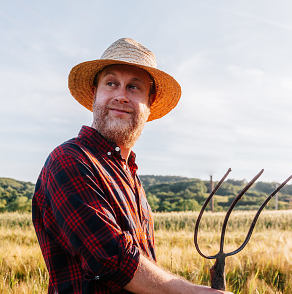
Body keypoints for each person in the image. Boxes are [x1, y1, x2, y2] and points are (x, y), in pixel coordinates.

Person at [32, 38, 231, 293]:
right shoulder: (70, 160)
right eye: (111, 83)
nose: (121, 96)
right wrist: (191, 291)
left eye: (134, 87)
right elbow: (112, 259)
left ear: (150, 101)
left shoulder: (130, 176)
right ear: (95, 93)